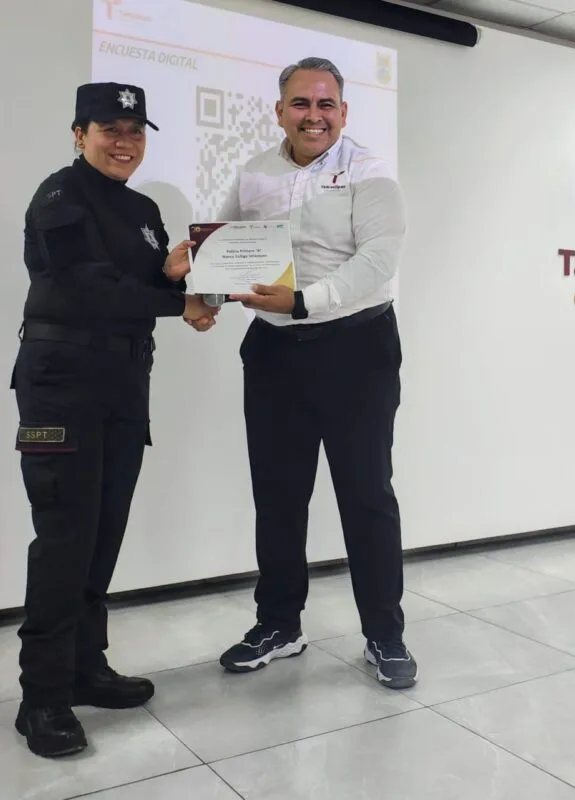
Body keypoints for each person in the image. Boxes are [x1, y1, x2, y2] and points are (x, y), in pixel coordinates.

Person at [11, 81, 215, 758]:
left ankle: (83, 667)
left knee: (103, 531)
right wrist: (179, 305)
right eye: (109, 129)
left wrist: (179, 279)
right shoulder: (60, 196)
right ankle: (41, 697)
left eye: (134, 131)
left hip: (124, 383)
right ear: (79, 134)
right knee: (65, 534)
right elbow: (84, 286)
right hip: (60, 385)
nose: (124, 142)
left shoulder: (142, 208)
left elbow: (142, 287)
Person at [204, 57, 417, 689]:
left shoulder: (371, 173)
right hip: (274, 353)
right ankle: (279, 624)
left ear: (343, 112)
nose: (314, 116)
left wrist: (303, 301)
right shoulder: (255, 171)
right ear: (280, 111)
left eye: (326, 105)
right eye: (301, 103)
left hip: (356, 348)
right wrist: (203, 295)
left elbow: (378, 259)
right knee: (277, 496)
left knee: (367, 496)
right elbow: (222, 244)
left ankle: (384, 634)